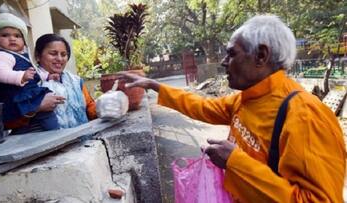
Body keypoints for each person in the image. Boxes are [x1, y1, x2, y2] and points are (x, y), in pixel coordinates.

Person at [122, 15, 346, 202]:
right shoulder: (248, 98)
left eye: (232, 53)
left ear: (261, 55)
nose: (223, 62)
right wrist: (155, 86)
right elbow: (202, 106)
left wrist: (234, 163)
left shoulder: (305, 116)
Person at [0, 13, 64, 133]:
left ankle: (52, 131)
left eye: (17, 36)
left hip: (26, 94)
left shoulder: (23, 57)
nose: (12, 38)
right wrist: (20, 76)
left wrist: (47, 76)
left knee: (40, 118)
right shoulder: (1, 56)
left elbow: (34, 72)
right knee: (39, 116)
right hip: (13, 95)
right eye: (5, 35)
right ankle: (55, 132)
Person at [34, 34, 97, 128]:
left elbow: (90, 108)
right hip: (48, 142)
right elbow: (10, 120)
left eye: (63, 54)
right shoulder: (29, 80)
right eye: (53, 53)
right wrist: (36, 107)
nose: (59, 59)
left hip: (82, 140)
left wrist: (103, 107)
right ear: (38, 56)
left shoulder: (75, 81)